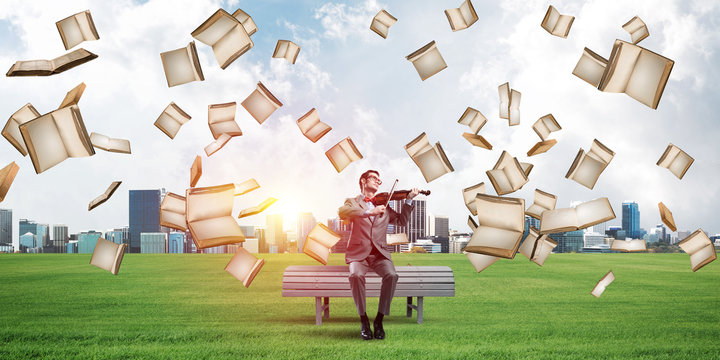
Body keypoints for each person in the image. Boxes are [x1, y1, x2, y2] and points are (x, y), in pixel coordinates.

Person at [338, 170, 418, 340]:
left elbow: (402, 221)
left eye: (379, 180)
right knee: (355, 275)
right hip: (359, 254)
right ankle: (364, 320)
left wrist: (409, 199)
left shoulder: (385, 206)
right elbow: (343, 212)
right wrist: (368, 212)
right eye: (374, 178)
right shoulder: (352, 202)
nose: (378, 181)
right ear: (363, 180)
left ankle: (379, 320)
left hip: (380, 254)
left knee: (392, 275)